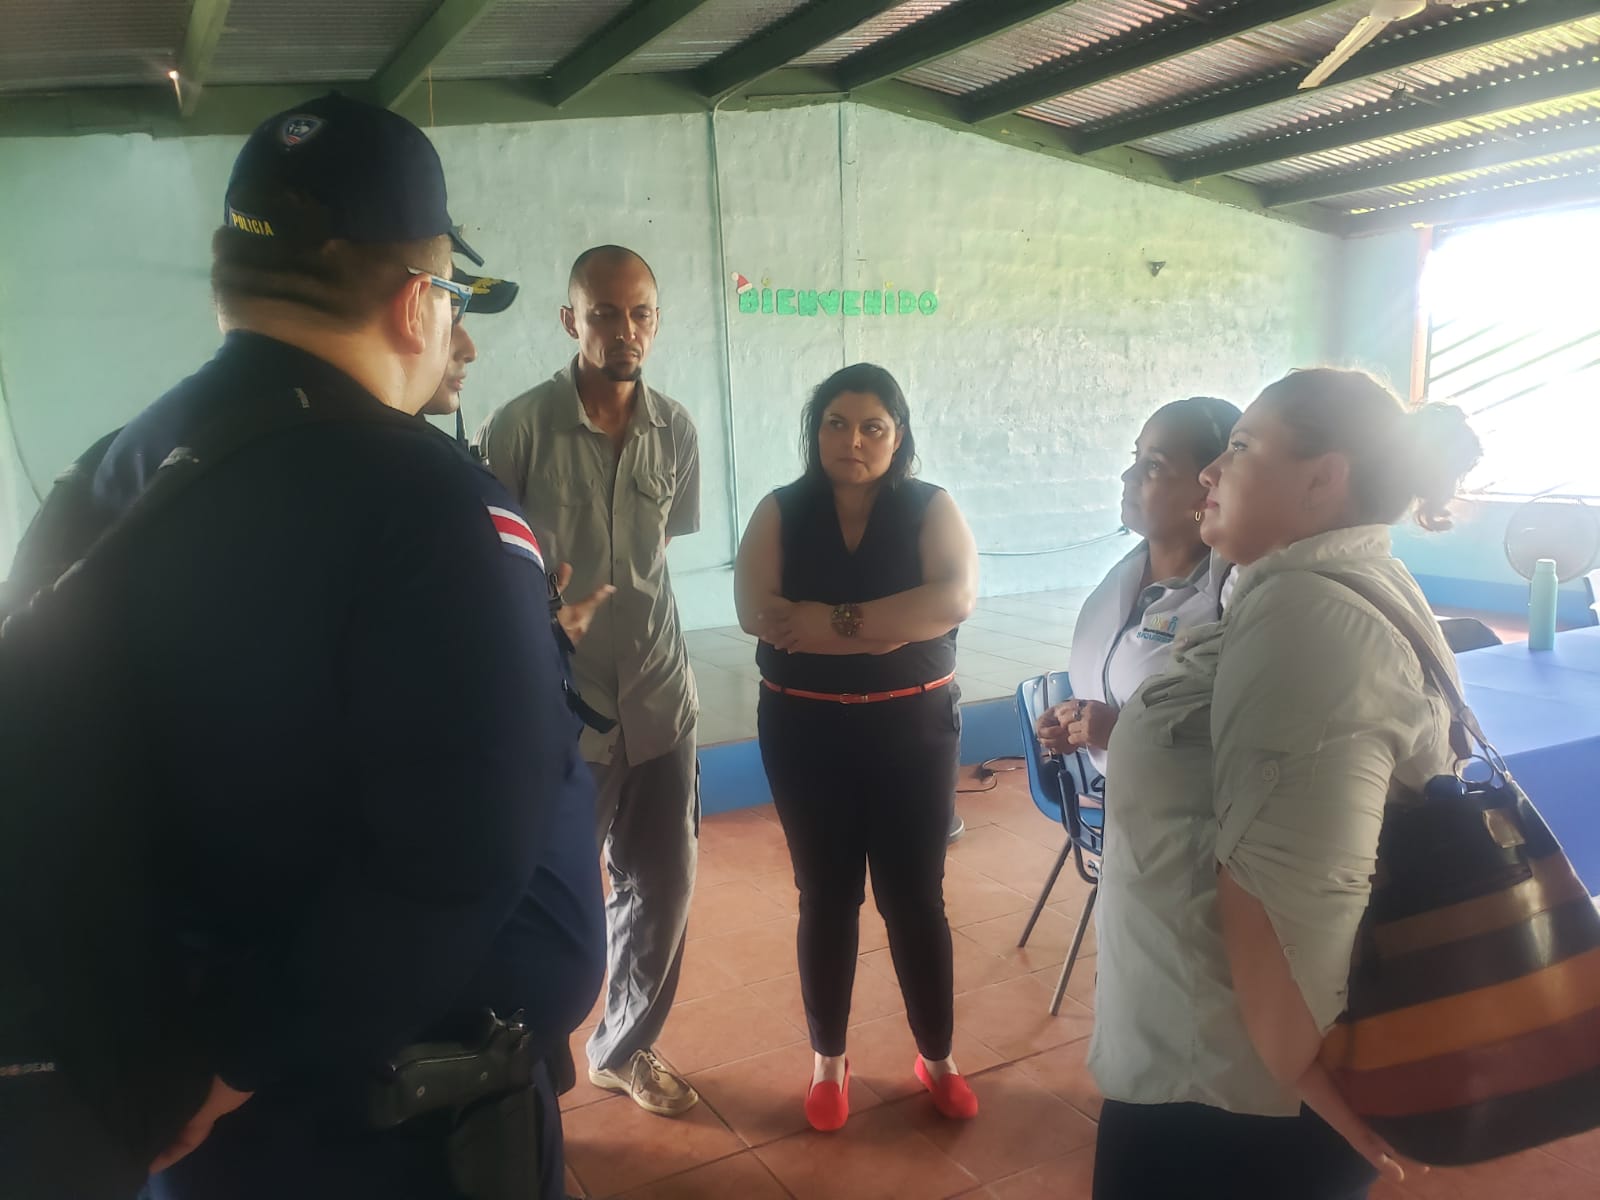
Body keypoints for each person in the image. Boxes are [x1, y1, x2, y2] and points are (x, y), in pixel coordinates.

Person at [8, 92, 606, 1199]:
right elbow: (458, 859)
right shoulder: (431, 505)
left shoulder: (105, 479)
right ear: (417, 302)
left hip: (189, 1111)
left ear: (229, 276)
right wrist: (242, 1057)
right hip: (386, 1133)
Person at [1088, 368, 1482, 1200]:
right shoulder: (1317, 586)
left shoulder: (1307, 614)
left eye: (1238, 447)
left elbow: (1294, 887)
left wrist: (1312, 1084)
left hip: (1231, 1092)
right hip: (1221, 1058)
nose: (1210, 471)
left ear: (1322, 479)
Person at [476, 245, 702, 1118]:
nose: (624, 329)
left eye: (640, 312)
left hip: (659, 694)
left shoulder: (675, 429)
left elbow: (656, 553)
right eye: (604, 313)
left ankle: (624, 1048)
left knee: (665, 888)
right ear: (571, 321)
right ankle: (522, 1073)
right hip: (562, 706)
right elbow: (491, 566)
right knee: (548, 900)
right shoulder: (518, 428)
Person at [734, 363, 980, 1132]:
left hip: (912, 732)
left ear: (897, 436)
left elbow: (953, 600)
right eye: (836, 423)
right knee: (827, 896)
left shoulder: (930, 506)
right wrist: (888, 625)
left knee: (915, 898)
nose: (854, 440)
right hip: (806, 732)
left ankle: (936, 1057)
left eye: (873, 426)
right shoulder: (781, 510)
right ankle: (829, 1063)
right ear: (815, 432)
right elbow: (756, 612)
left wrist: (828, 622)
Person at [1035, 395, 1241, 771]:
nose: (1128, 476)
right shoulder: (1123, 576)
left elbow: (1244, 738)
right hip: (1123, 801)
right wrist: (1073, 721)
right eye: (1136, 457)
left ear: (1207, 489)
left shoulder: (1231, 596)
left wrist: (1121, 733)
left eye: (1154, 465)